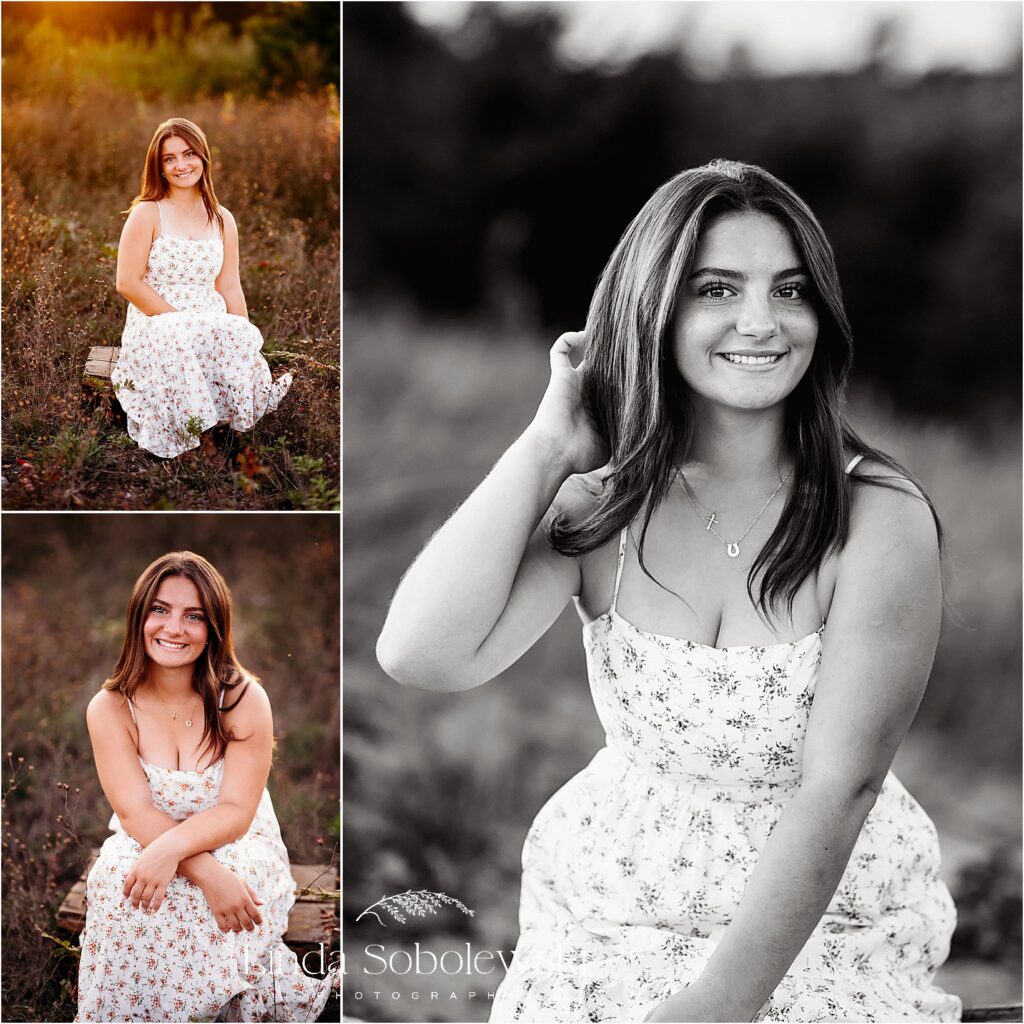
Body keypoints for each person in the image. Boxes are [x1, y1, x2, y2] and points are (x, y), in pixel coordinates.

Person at [376, 160, 961, 1022]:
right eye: (716, 289)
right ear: (655, 307)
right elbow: (422, 655)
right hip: (617, 892)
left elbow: (840, 786)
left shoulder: (877, 516)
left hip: (819, 910)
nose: (760, 322)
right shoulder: (602, 508)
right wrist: (549, 446)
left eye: (790, 291)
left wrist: (718, 1003)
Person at [76, 552, 333, 1022]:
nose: (174, 628)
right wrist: (196, 868)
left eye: (193, 616)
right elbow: (134, 812)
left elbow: (236, 810)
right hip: (146, 834)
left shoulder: (241, 699)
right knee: (119, 880)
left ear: (214, 626)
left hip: (236, 840)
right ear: (139, 617)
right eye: (160, 609)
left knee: (213, 892)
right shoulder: (110, 707)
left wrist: (201, 865)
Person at [113, 118, 291, 460]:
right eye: (169, 158)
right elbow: (127, 282)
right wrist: (180, 319)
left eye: (189, 154)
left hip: (210, 318)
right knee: (175, 334)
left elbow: (229, 285)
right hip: (157, 320)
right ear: (159, 167)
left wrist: (245, 334)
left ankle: (222, 425)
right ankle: (194, 440)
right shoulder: (147, 213)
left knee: (238, 334)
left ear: (204, 157)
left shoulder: (223, 219)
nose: (181, 165)